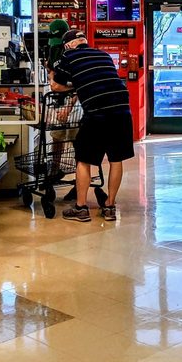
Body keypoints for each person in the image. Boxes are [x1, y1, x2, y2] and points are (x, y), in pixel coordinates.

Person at [49, 30, 134, 222]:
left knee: (83, 159)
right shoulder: (103, 55)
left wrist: (60, 76)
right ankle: (110, 207)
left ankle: (81, 208)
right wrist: (81, 84)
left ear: (68, 45)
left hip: (97, 113)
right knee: (116, 159)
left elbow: (56, 86)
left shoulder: (69, 56)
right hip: (122, 110)